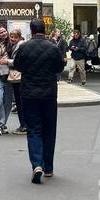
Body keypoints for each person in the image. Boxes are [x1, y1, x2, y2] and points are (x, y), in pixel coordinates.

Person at [11, 19, 65, 183]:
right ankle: (48, 167)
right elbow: (59, 68)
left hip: (29, 94)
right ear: (44, 29)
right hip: (49, 94)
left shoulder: (24, 47)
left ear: (32, 31)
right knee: (49, 129)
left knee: (34, 129)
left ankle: (36, 164)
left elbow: (18, 66)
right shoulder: (53, 48)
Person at [6, 28, 27, 134]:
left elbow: (19, 61)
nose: (12, 39)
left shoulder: (21, 46)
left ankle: (24, 126)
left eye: (15, 37)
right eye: (11, 36)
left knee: (20, 102)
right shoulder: (15, 45)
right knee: (19, 102)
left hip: (19, 77)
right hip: (18, 77)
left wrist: (7, 61)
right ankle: (23, 124)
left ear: (19, 37)